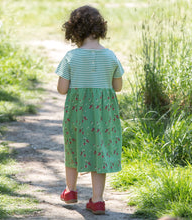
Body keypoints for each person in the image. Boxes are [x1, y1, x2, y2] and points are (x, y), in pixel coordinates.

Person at [55, 5, 124, 215]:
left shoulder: (70, 57)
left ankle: (71, 191)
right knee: (100, 149)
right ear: (101, 29)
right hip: (104, 114)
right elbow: (118, 87)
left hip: (77, 113)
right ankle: (97, 200)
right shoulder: (111, 56)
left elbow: (62, 89)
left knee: (74, 146)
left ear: (73, 30)